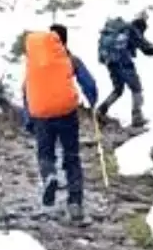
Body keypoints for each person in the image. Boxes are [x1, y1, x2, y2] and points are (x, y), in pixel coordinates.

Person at [21, 23, 99, 219]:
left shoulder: (35, 63)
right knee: (72, 156)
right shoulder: (70, 59)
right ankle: (75, 203)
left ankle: (49, 176)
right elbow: (89, 84)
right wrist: (92, 101)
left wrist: (28, 119)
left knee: (45, 154)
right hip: (66, 113)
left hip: (41, 116)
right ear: (64, 40)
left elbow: (26, 91)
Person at [95, 11, 153, 128]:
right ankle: (137, 118)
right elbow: (148, 50)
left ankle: (100, 111)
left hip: (111, 62)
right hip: (123, 62)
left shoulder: (124, 30)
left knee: (118, 89)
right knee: (136, 87)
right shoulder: (133, 30)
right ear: (142, 25)